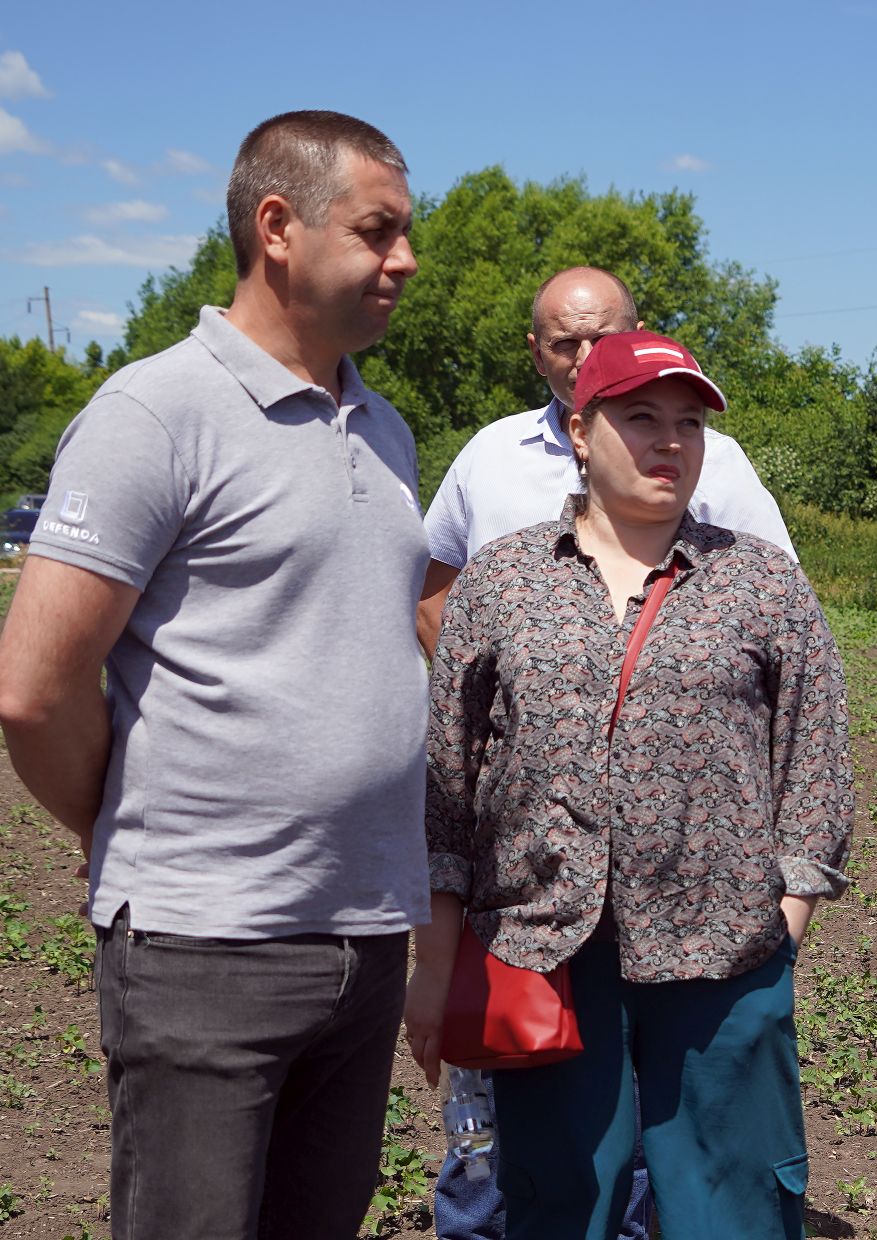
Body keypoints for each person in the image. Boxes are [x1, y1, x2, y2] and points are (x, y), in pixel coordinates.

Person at [0, 111, 427, 1239]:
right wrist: (115, 822)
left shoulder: (382, 428)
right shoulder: (155, 413)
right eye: (377, 230)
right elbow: (34, 687)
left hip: (363, 934)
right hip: (206, 948)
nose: (405, 260)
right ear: (277, 227)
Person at [403, 329, 853, 1240]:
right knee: (559, 1203)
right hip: (543, 954)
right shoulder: (502, 582)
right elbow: (448, 783)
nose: (669, 443)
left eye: (689, 424)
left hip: (724, 958)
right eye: (641, 418)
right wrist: (436, 964)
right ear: (580, 430)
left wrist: (784, 923)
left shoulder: (760, 582)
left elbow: (816, 760)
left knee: (733, 1209)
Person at [416, 264, 794, 653]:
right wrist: (474, 684)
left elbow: (779, 595)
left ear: (638, 338)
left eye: (604, 340)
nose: (585, 359)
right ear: (537, 354)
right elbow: (429, 588)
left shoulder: (711, 458)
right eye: (565, 343)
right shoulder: (490, 452)